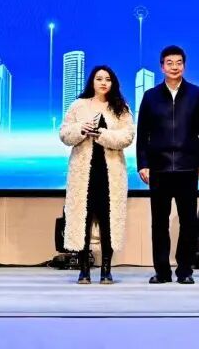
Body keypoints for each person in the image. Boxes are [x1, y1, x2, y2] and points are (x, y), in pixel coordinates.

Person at [136, 45, 199, 284]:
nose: (174, 67)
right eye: (169, 63)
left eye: (179, 63)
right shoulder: (150, 96)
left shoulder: (197, 94)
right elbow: (143, 134)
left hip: (187, 167)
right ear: (162, 67)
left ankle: (185, 271)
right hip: (158, 169)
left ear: (184, 66)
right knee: (159, 223)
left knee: (189, 222)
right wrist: (142, 164)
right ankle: (162, 271)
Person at [60, 66, 135, 284]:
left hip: (111, 174)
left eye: (108, 79)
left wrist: (102, 133)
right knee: (81, 221)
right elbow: (64, 134)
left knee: (108, 221)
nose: (103, 82)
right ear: (92, 82)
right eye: (99, 78)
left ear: (113, 83)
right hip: (83, 174)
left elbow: (128, 136)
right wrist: (81, 129)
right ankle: (84, 269)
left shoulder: (120, 107)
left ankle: (106, 270)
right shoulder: (78, 105)